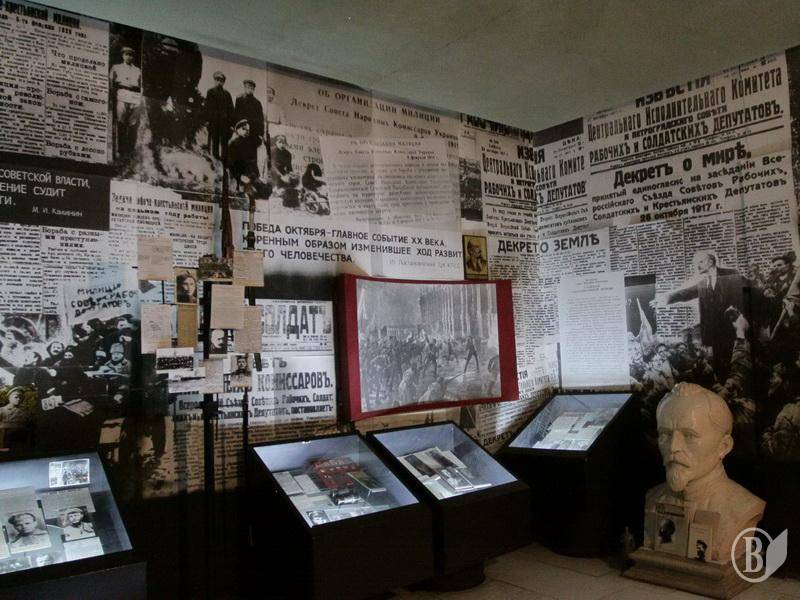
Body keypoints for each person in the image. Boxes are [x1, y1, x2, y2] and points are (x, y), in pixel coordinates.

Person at [645, 382, 765, 560]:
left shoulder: (742, 508)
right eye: (665, 434)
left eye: (689, 435)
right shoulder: (653, 498)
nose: (673, 447)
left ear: (723, 446)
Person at [658, 251, 749, 380]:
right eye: (696, 263)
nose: (698, 266)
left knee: (737, 362)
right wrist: (667, 298)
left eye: (701, 262)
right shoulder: (703, 284)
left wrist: (737, 309)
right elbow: (686, 293)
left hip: (733, 328)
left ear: (711, 262)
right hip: (714, 334)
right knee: (719, 366)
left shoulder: (730, 274)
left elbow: (747, 289)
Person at [109, 46, 141, 159]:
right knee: (121, 122)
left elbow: (140, 85)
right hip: (122, 94)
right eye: (126, 54)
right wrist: (112, 96)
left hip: (135, 97)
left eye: (131, 55)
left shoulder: (138, 70)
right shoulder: (116, 67)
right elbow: (111, 83)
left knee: (133, 124)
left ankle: (130, 149)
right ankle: (121, 150)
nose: (129, 57)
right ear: (123, 55)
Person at [204, 71, 234, 159]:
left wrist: (231, 124)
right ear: (214, 80)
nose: (219, 82)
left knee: (224, 142)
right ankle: (215, 158)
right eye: (217, 80)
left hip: (224, 123)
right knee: (215, 140)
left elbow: (231, 109)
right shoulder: (210, 92)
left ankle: (224, 159)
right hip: (214, 121)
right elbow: (207, 107)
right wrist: (207, 120)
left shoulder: (227, 94)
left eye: (221, 81)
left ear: (223, 82)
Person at [228, 120, 260, 188]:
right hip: (237, 176)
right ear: (237, 129)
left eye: (248, 130)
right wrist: (240, 176)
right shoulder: (233, 143)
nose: (247, 131)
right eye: (244, 129)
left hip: (248, 175)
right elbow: (231, 163)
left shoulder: (247, 142)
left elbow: (251, 160)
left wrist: (255, 174)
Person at [234, 79, 264, 148]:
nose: (250, 90)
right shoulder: (239, 99)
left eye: (252, 88)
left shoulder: (257, 103)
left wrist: (261, 134)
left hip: (253, 131)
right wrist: (236, 128)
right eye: (248, 87)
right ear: (244, 88)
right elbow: (236, 114)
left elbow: (260, 119)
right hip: (242, 129)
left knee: (251, 149)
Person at [270, 134, 299, 206]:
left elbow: (289, 167)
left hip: (281, 171)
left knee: (292, 182)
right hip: (271, 171)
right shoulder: (272, 151)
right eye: (280, 142)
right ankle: (276, 190)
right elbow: (272, 166)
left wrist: (292, 174)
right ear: (276, 142)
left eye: (283, 143)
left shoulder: (288, 154)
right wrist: (281, 176)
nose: (282, 144)